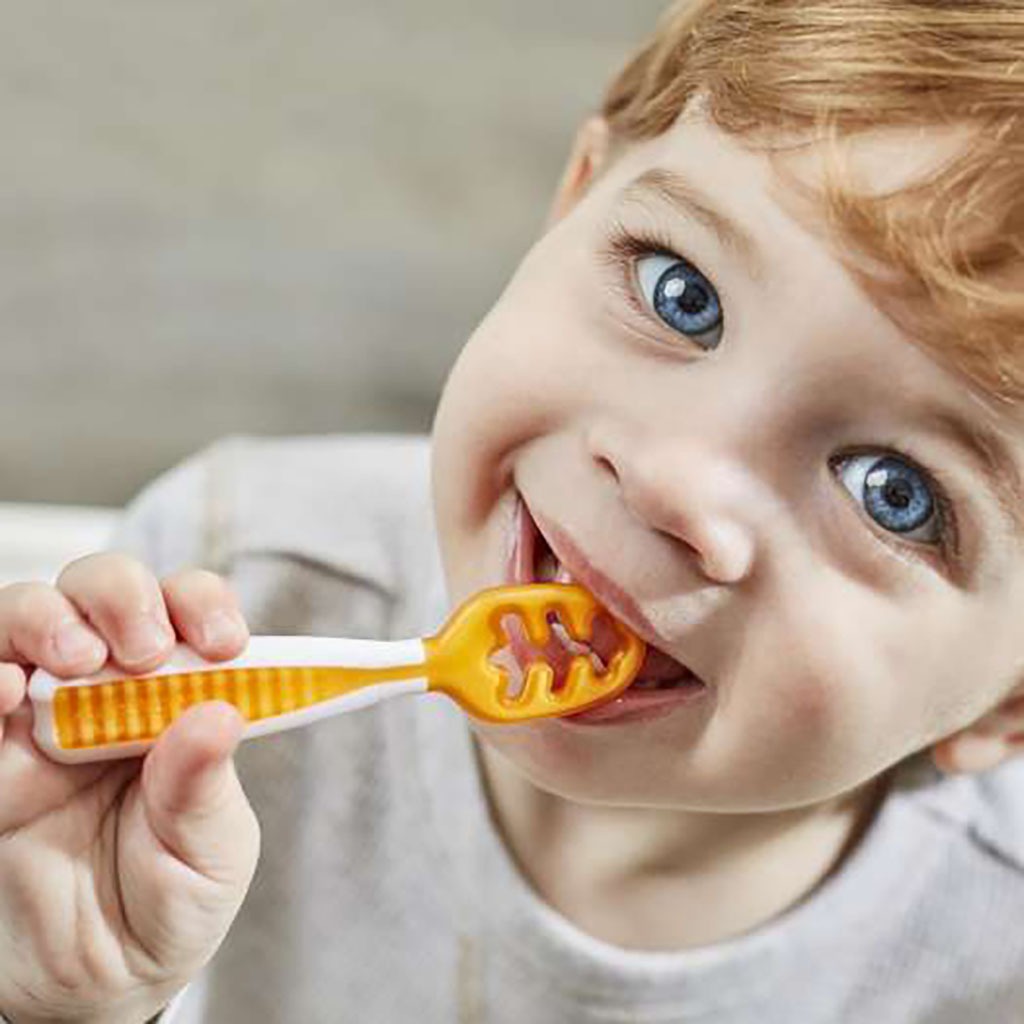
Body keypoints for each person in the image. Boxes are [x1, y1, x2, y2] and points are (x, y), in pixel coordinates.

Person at [2, 1, 1024, 1020]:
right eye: (682, 294)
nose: (676, 480)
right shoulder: (240, 578)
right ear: (572, 200)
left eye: (894, 492)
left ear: (1009, 700)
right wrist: (59, 999)